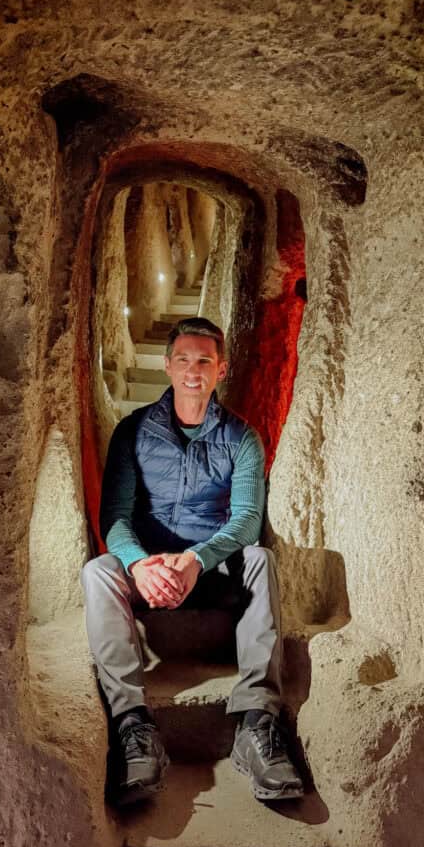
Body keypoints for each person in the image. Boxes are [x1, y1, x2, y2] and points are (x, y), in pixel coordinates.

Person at [81, 317, 303, 806]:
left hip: (211, 569)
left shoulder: (242, 438)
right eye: (183, 359)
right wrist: (140, 565)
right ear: (167, 365)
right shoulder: (132, 432)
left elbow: (246, 520)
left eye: (204, 361)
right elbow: (114, 517)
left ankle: (257, 723)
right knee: (98, 572)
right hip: (150, 572)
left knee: (260, 559)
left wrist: (195, 561)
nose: (192, 370)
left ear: (221, 369)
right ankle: (133, 726)